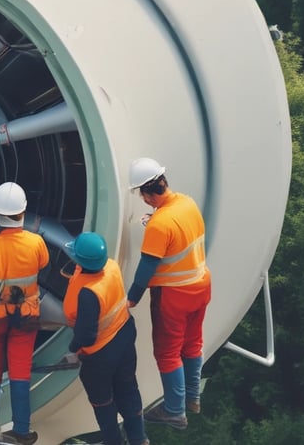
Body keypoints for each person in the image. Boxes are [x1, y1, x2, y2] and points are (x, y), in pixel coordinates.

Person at [127, 157, 211, 430]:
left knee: (167, 353)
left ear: (148, 194)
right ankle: (192, 397)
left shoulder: (159, 225)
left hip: (174, 296)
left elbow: (147, 266)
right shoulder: (186, 203)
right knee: (192, 344)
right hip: (200, 285)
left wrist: (133, 297)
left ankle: (175, 410)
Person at [0, 182, 49, 445]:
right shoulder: (36, 243)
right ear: (23, 211)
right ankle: (22, 431)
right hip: (25, 316)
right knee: (20, 371)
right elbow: (43, 264)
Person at [62, 232, 148, 445]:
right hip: (125, 336)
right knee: (128, 387)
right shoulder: (111, 266)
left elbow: (86, 337)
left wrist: (73, 350)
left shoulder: (88, 293)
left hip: (101, 355)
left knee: (103, 402)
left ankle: (113, 441)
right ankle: (138, 437)